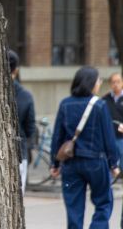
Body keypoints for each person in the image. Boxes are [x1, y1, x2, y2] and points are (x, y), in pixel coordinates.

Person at [50, 66, 121, 229]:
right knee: (103, 202)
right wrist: (114, 164)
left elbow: (57, 137)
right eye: (98, 80)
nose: (100, 83)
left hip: (71, 163)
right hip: (96, 162)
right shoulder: (100, 105)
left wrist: (55, 164)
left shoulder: (65, 104)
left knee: (74, 208)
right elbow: (108, 138)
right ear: (91, 83)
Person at [8, 49, 36, 194]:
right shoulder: (25, 96)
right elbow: (30, 128)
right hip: (19, 149)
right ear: (16, 70)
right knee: (16, 196)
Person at [102, 72, 123, 163]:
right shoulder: (104, 99)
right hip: (109, 137)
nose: (116, 84)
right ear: (110, 84)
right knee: (111, 163)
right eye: (113, 82)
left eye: (118, 82)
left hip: (122, 137)